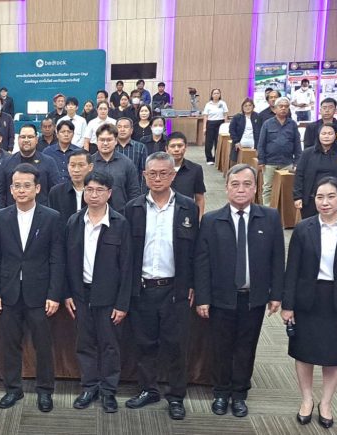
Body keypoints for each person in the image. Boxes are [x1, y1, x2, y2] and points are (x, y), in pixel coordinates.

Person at [195, 164, 285, 418]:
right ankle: (221, 392)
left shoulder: (270, 217)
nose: (241, 189)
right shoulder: (211, 220)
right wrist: (203, 297)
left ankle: (239, 394)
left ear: (255, 188)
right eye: (235, 184)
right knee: (221, 347)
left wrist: (276, 294)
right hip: (220, 297)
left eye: (247, 184)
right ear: (226, 188)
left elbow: (278, 259)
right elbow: (202, 263)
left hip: (253, 298)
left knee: (246, 347)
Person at [282, 177, 337, 429]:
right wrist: (288, 305)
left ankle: (326, 403)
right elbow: (292, 269)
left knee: (334, 355)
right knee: (304, 352)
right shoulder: (304, 228)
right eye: (320, 197)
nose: (325, 202)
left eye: (331, 196)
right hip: (308, 299)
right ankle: (307, 399)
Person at [122, 153, 200, 420]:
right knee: (144, 343)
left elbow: (195, 252)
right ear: (144, 176)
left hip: (175, 289)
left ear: (173, 175)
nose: (157, 178)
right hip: (143, 288)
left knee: (176, 345)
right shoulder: (132, 208)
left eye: (163, 173)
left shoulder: (188, 207)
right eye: (152, 173)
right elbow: (126, 254)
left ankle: (176, 396)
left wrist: (192, 285)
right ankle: (148, 389)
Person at [0, 163, 63, 413]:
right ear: (11, 189)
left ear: (37, 188)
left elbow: (57, 259)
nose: (21, 190)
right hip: (9, 292)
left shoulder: (51, 217)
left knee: (43, 345)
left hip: (40, 294)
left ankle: (45, 391)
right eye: (17, 186)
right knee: (9, 344)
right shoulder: (1, 217)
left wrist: (54, 294)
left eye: (26, 186)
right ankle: (13, 389)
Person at [65, 170, 133, 414]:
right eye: (89, 190)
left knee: (110, 345)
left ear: (109, 193)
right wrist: (67, 294)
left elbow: (127, 267)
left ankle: (108, 390)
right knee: (85, 343)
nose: (94, 195)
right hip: (80, 294)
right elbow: (66, 261)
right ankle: (89, 387)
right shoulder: (74, 222)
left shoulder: (120, 223)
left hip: (109, 297)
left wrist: (122, 303)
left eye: (99, 190)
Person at [0, 124, 59, 209]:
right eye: (23, 137)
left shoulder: (49, 162)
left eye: (30, 137)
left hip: (42, 214)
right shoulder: (6, 163)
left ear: (36, 140)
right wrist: (2, 214)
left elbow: (55, 192)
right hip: (12, 213)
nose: (26, 140)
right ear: (18, 139)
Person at [293, 124, 337, 219]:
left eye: (330, 133)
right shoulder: (307, 153)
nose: (326, 136)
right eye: (323, 133)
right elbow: (299, 175)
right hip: (311, 199)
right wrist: (297, 197)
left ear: (335, 135)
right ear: (318, 135)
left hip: (335, 199)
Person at [258, 97, 301, 206]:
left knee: (288, 187)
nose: (283, 108)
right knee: (267, 187)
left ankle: (285, 210)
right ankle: (267, 209)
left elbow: (297, 144)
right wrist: (261, 160)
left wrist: (297, 162)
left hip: (287, 162)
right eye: (281, 106)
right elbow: (261, 143)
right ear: (275, 108)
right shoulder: (267, 124)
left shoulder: (292, 124)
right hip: (270, 162)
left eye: (286, 106)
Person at [91, 124, 141, 211]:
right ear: (97, 141)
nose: (105, 143)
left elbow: (134, 191)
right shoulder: (89, 163)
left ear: (116, 141)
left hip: (121, 213)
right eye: (102, 140)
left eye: (109, 140)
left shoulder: (127, 163)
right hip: (94, 212)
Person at [166, 132, 207, 216]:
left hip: (186, 215)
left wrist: (200, 220)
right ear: (166, 149)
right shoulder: (159, 169)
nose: (176, 149)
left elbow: (199, 198)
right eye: (172, 146)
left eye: (180, 146)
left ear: (186, 147)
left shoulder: (196, 169)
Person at [49, 149, 92, 225]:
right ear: (67, 166)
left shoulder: (97, 191)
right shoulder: (56, 192)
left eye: (81, 165)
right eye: (72, 165)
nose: (76, 170)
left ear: (90, 167)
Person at [43, 119, 83, 185]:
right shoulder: (47, 152)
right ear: (57, 134)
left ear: (73, 134)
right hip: (52, 188)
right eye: (63, 132)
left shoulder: (79, 152)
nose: (66, 134)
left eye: (69, 132)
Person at [228, 98, 260, 163]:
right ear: (242, 107)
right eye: (245, 106)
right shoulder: (237, 117)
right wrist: (236, 141)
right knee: (239, 164)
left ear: (253, 106)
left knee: (253, 163)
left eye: (250, 105)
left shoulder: (258, 116)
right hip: (240, 143)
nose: (248, 107)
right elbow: (231, 130)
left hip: (254, 144)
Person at [202, 89, 229, 164]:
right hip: (210, 123)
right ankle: (209, 159)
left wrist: (225, 125)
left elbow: (225, 115)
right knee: (209, 142)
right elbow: (205, 116)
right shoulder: (208, 104)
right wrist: (204, 127)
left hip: (220, 123)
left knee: (218, 142)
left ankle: (216, 158)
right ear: (212, 95)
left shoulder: (223, 103)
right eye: (214, 93)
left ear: (220, 95)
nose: (216, 94)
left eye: (218, 93)